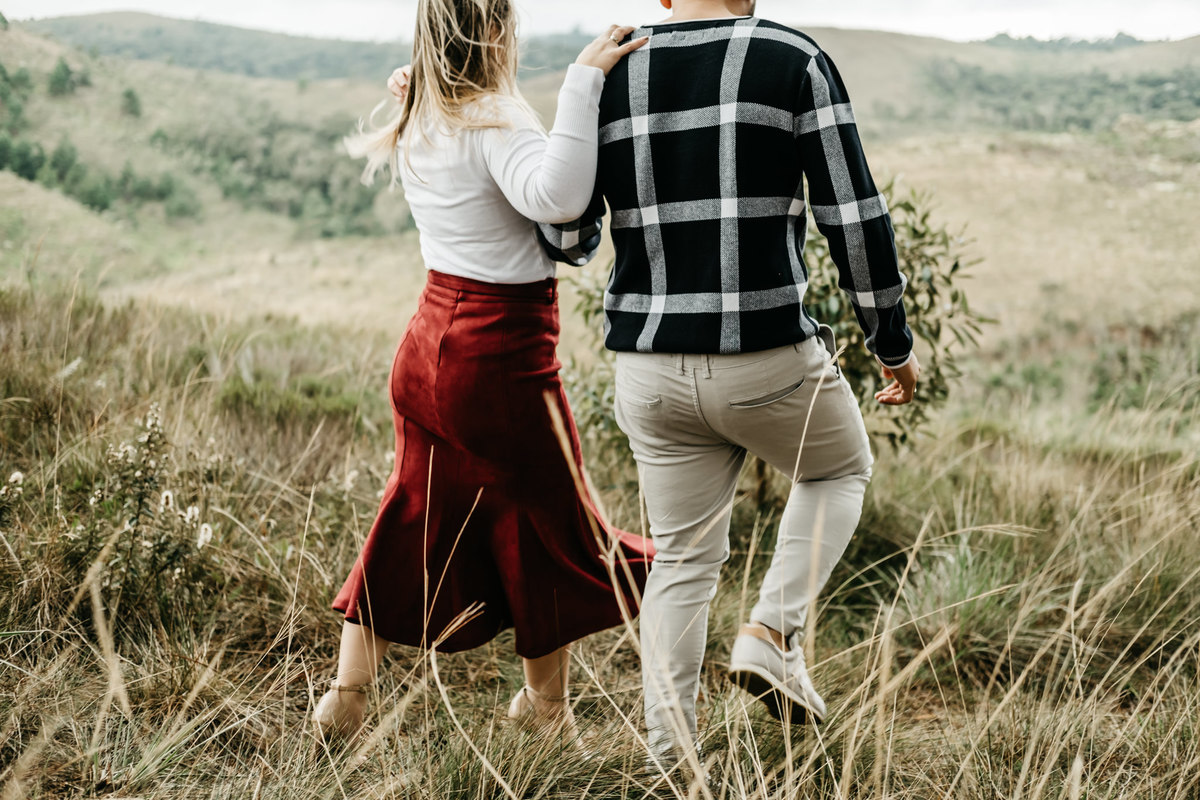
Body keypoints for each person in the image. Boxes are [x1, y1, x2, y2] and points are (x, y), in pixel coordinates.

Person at [537, 0, 921, 764]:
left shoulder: (609, 72)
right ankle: (774, 632)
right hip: (765, 356)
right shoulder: (793, 59)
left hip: (647, 367)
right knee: (841, 468)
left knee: (681, 561)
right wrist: (891, 339)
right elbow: (855, 216)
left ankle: (669, 760)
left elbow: (567, 235)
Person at [312, 0, 652, 744]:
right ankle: (545, 709)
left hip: (428, 341)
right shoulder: (494, 116)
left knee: (410, 512)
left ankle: (346, 695)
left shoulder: (423, 112)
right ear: (495, 29)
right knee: (546, 523)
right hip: (498, 354)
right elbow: (556, 198)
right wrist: (582, 86)